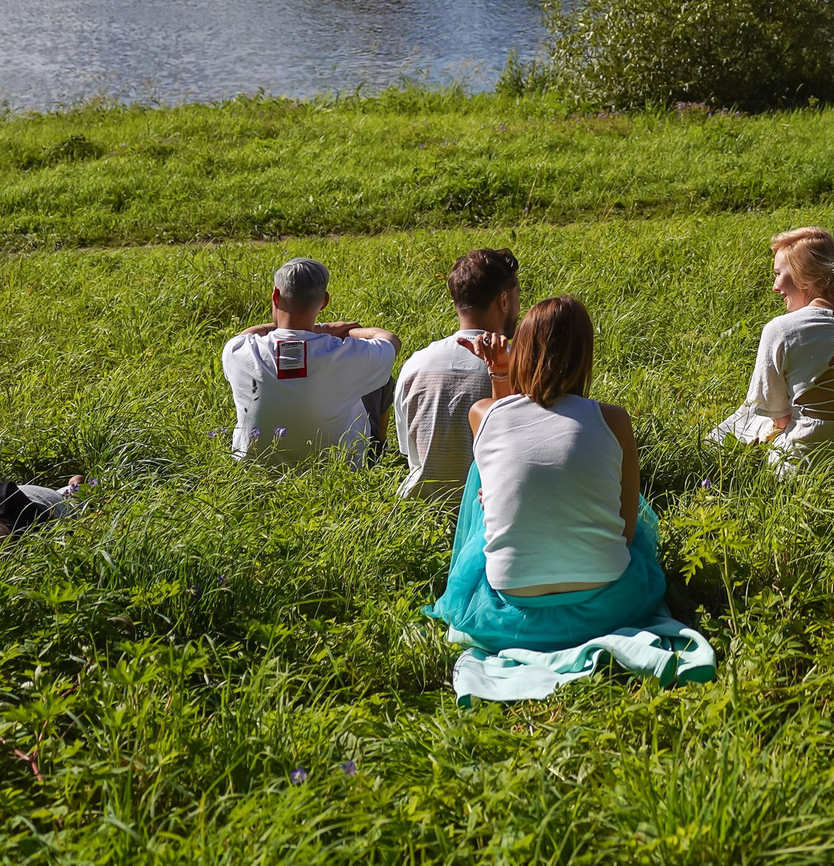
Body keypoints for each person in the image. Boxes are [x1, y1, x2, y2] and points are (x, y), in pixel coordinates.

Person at [428, 297, 710, 698]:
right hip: (610, 605)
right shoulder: (613, 419)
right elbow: (627, 531)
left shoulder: (482, 414)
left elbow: (507, 432)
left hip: (508, 617)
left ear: (520, 349)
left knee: (485, 481)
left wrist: (499, 371)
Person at [709, 228, 834, 473]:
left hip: (808, 469)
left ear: (805, 273)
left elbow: (779, 418)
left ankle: (710, 455)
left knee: (755, 415)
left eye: (779, 274)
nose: (774, 286)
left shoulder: (780, 329)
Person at [221, 258, 400, 467]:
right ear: (324, 301)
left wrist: (316, 328)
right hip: (339, 467)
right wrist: (337, 330)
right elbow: (390, 340)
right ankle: (378, 451)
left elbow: (247, 333)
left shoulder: (239, 351)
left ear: (276, 296)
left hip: (254, 469)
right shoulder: (348, 353)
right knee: (382, 379)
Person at [396, 248, 520, 502]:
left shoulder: (415, 364)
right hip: (493, 510)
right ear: (504, 301)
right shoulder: (523, 364)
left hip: (422, 512)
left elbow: (407, 452)